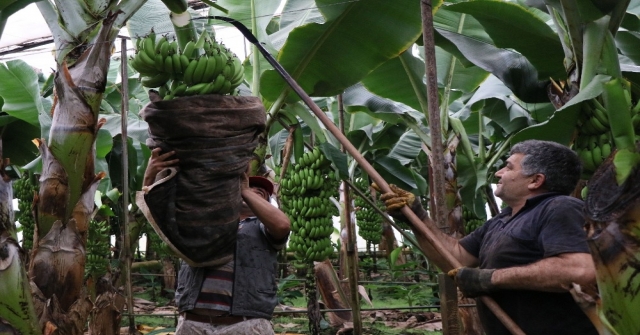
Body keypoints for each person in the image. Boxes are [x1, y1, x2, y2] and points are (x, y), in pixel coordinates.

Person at [375, 140, 598, 335]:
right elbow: (456, 257)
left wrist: (489, 279)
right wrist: (418, 216)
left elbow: (578, 271)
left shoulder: (560, 208)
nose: (499, 173)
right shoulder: (502, 220)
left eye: (508, 167)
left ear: (535, 180)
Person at [143, 148, 291, 335]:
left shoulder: (262, 229)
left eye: (259, 193)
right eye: (245, 187)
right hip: (193, 324)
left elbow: (282, 225)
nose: (252, 191)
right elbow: (158, 213)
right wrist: (150, 176)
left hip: (244, 325)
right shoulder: (202, 222)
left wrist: (245, 190)